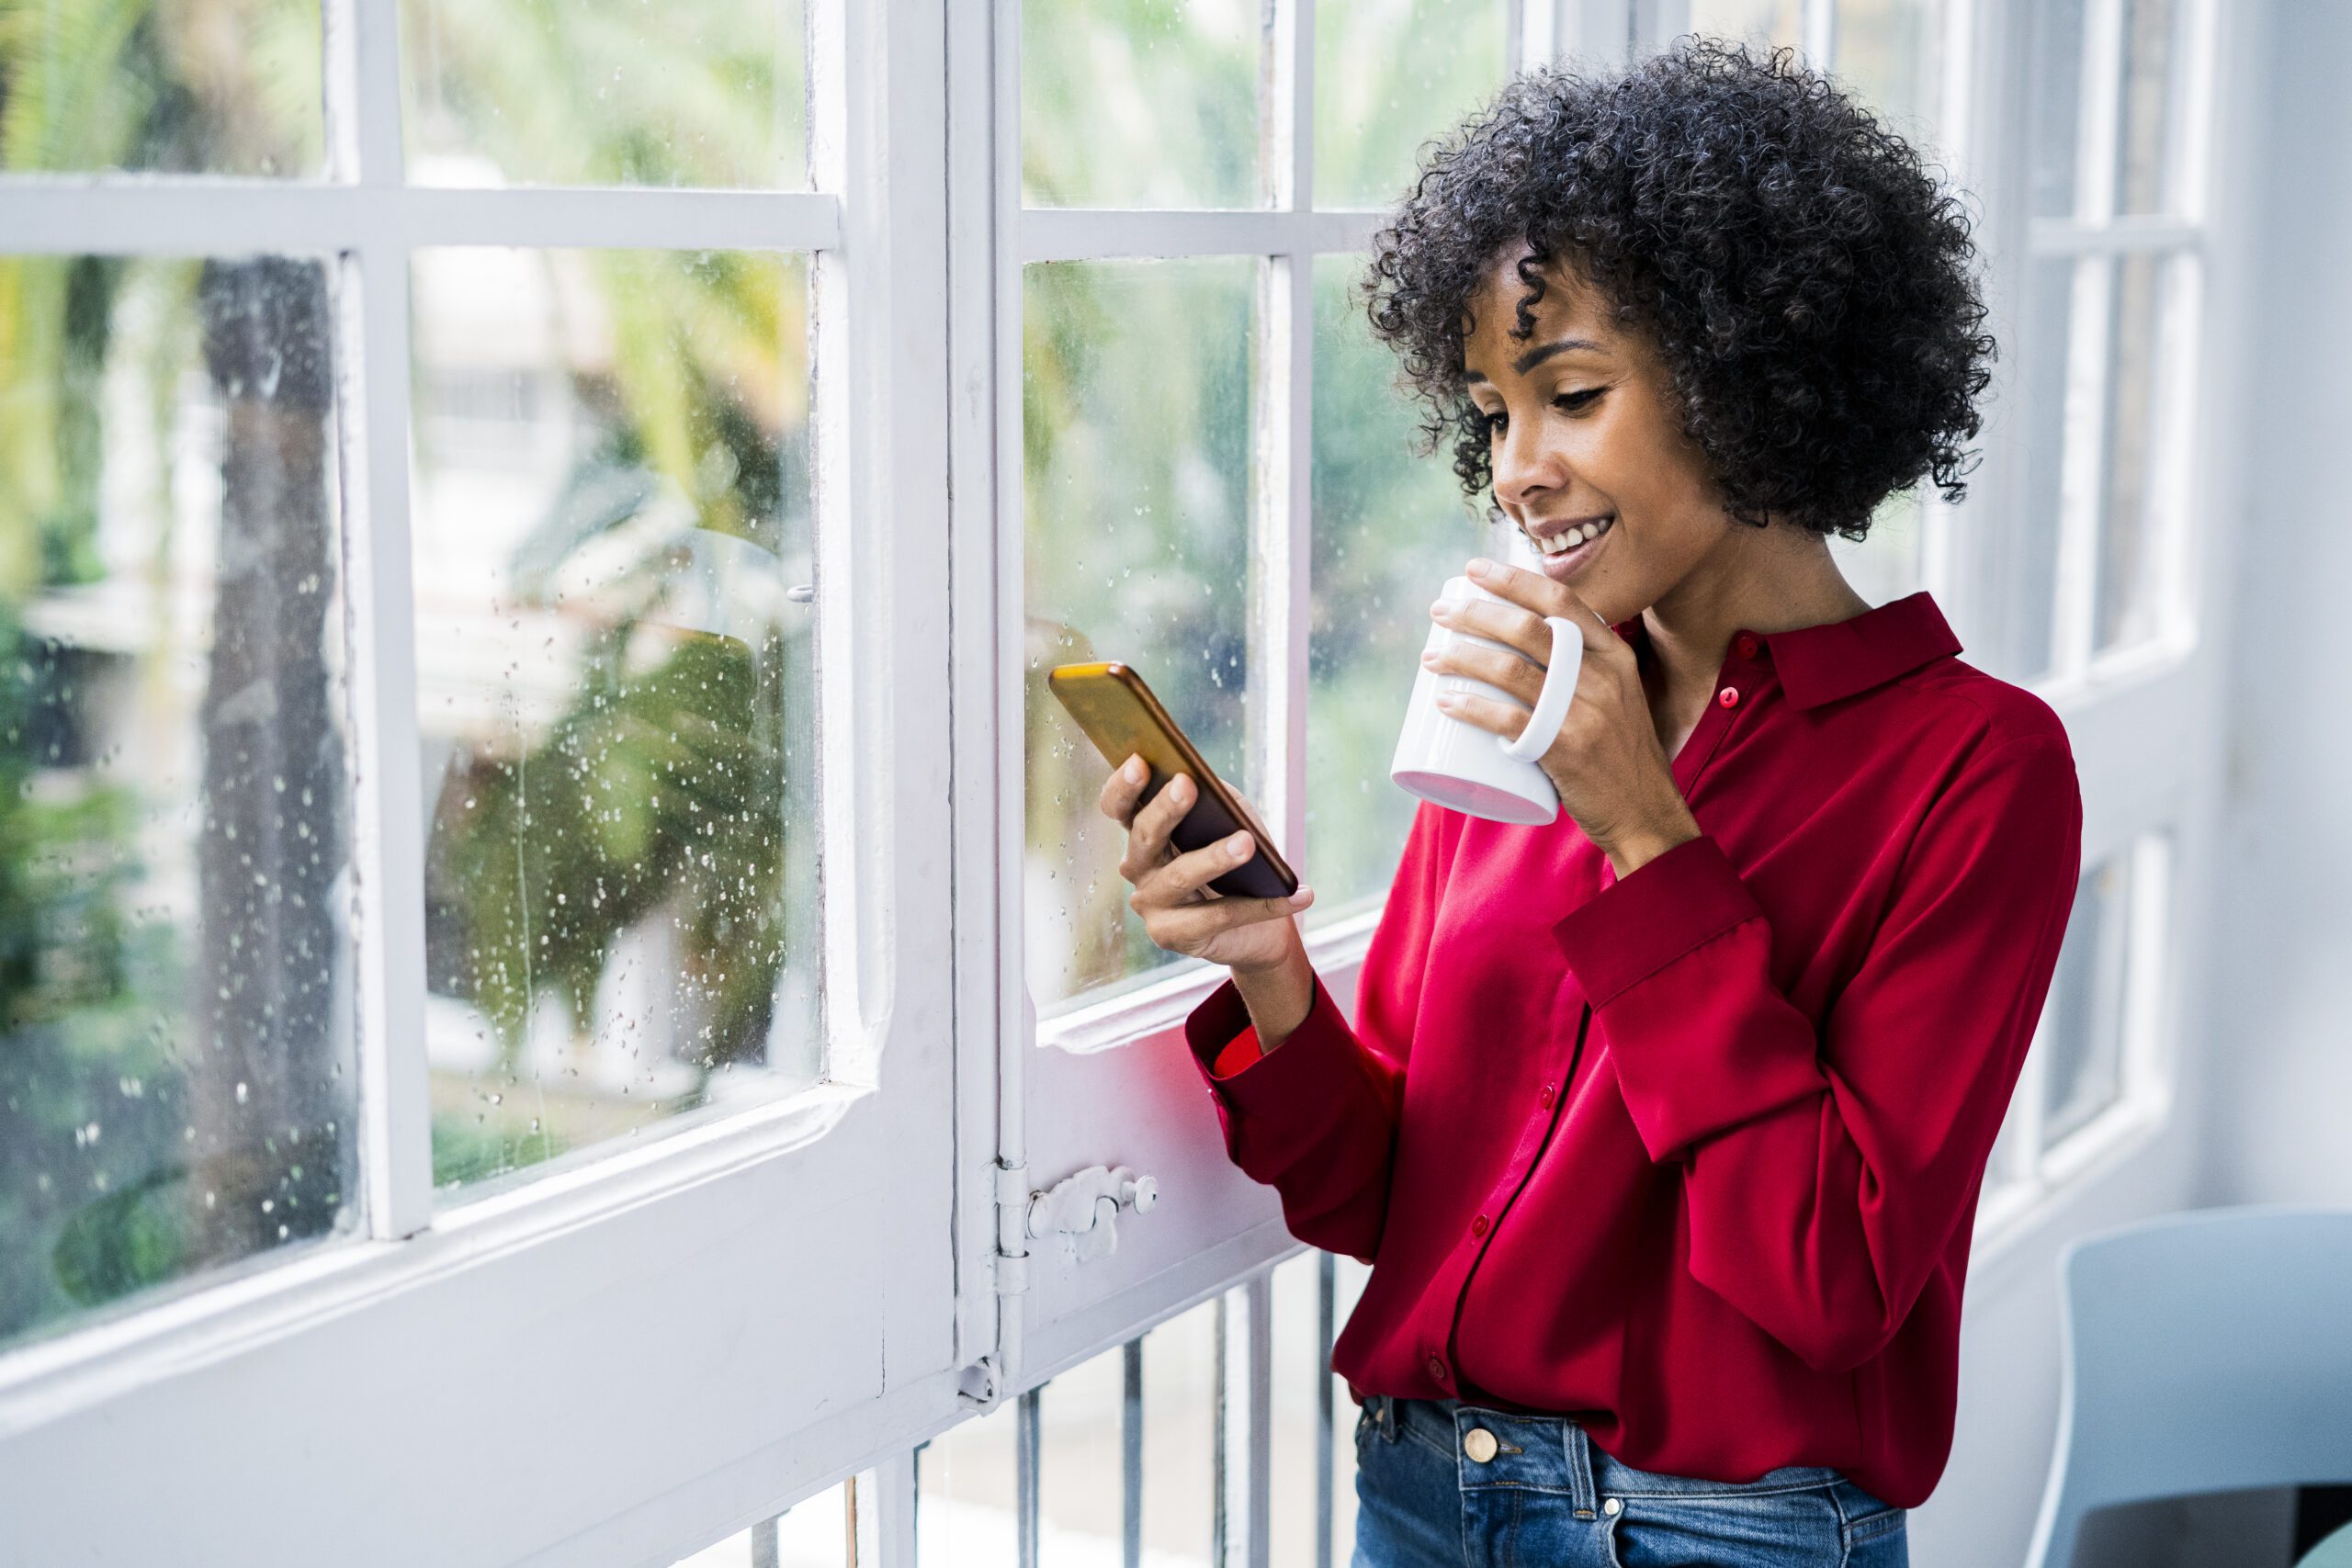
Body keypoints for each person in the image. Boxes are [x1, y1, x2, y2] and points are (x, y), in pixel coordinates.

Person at [1095, 39, 2081, 1568]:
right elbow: (1395, 1203)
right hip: (1421, 1498)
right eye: (1492, 412)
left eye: (1569, 394)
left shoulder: (1976, 772)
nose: (1515, 471)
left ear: (1756, 370)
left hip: (1719, 1540)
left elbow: (1828, 1284)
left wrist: (1645, 836)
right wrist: (1272, 975)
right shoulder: (1514, 714)